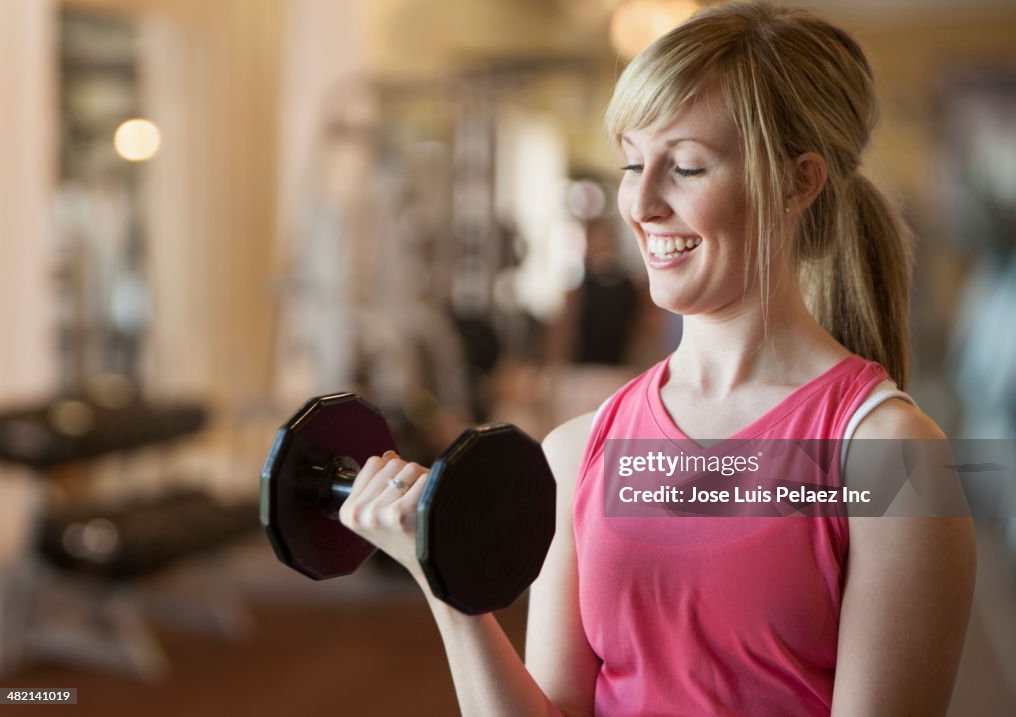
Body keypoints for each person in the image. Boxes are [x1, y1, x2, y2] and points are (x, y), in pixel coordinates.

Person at [337, 2, 976, 714]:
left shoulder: (890, 458)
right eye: (633, 162)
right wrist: (446, 584)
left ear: (799, 182)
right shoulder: (578, 452)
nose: (639, 202)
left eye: (688, 167)